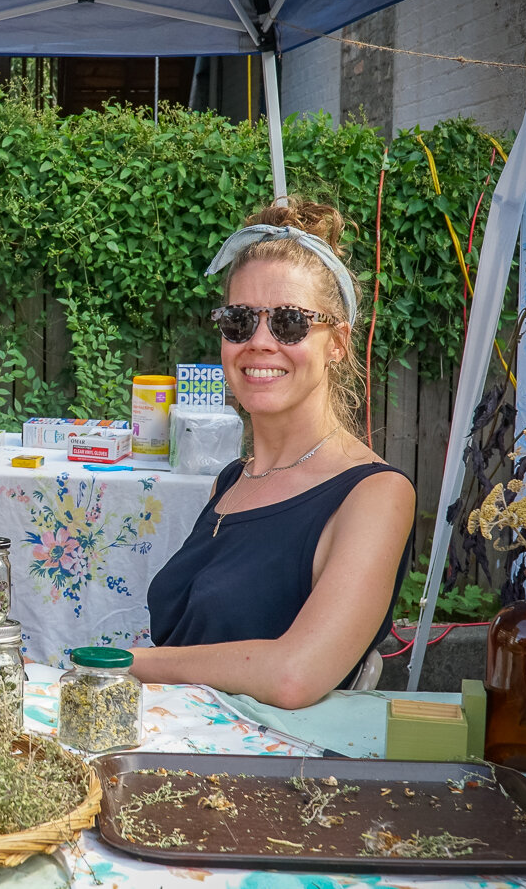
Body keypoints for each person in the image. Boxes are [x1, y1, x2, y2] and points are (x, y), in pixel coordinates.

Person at [133, 200, 416, 709]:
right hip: (172, 750)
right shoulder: (232, 481)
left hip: (273, 778)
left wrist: (133, 666)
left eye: (289, 322)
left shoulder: (374, 494)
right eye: (239, 321)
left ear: (338, 344)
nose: (260, 342)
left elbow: (296, 674)